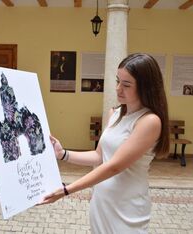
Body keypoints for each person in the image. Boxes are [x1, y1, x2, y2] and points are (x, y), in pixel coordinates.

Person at [40, 53, 170, 233]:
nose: (118, 89)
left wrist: (67, 190)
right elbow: (99, 156)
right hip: (102, 202)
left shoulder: (149, 121)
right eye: (118, 81)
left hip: (127, 208)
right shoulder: (115, 113)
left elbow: (114, 166)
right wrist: (63, 154)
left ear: (145, 88)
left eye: (126, 84)